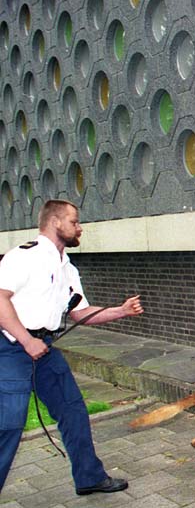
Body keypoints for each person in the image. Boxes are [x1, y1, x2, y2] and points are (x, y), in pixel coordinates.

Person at [0, 200, 144, 494]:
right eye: (74, 222)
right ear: (55, 222)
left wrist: (122, 310)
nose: (79, 228)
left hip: (44, 347)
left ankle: (89, 477)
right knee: (8, 424)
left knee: (73, 410)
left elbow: (80, 313)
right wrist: (27, 341)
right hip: (11, 347)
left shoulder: (67, 268)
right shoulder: (24, 257)